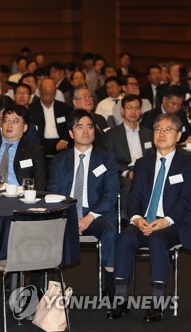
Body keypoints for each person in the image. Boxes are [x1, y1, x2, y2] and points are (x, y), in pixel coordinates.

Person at [108, 114, 191, 322]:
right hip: (145, 220)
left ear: (179, 135)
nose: (162, 133)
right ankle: (120, 300)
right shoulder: (143, 163)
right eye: (158, 129)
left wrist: (166, 220)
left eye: (168, 130)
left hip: (174, 223)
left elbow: (187, 199)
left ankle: (157, 303)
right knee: (125, 237)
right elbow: (134, 196)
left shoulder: (187, 164)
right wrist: (136, 218)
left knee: (157, 238)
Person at [48, 109, 119, 297]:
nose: (86, 131)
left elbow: (111, 194)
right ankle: (39, 286)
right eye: (80, 127)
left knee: (111, 231)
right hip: (66, 212)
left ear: (94, 132)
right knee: (41, 231)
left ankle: (111, 286)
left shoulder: (106, 158)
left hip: (95, 213)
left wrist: (88, 218)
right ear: (71, 133)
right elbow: (54, 193)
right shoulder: (59, 160)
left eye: (89, 127)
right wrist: (70, 216)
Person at [0, 103, 47, 189]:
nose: (9, 125)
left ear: (24, 128)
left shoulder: (34, 151)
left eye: (15, 121)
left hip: (19, 197)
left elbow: (40, 184)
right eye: (6, 121)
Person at [105, 94, 154, 220]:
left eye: (137, 108)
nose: (133, 112)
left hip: (145, 170)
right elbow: (109, 160)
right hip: (123, 172)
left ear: (141, 111)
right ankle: (130, 219)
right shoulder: (112, 134)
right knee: (129, 185)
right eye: (129, 108)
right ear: (122, 110)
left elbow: (153, 156)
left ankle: (154, 216)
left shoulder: (148, 133)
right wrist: (127, 172)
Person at [29, 78, 72, 156]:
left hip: (60, 142)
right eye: (46, 93)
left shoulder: (64, 108)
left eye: (52, 93)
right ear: (40, 92)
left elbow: (69, 125)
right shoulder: (31, 108)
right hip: (40, 143)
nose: (49, 96)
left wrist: (64, 140)